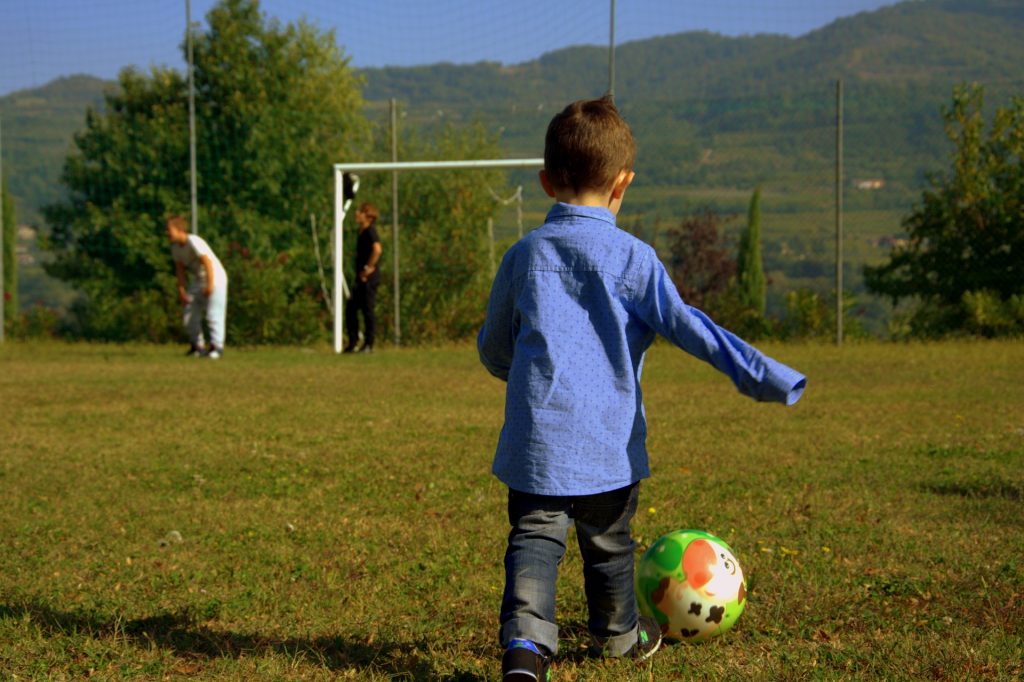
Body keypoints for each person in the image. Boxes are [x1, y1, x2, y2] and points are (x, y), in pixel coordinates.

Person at [477, 95, 806, 681]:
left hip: (537, 445)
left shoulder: (523, 255)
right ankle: (619, 639)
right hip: (608, 446)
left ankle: (525, 652)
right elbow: (691, 328)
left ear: (546, 181)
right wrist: (764, 375)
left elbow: (493, 347)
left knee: (533, 541)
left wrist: (522, 379)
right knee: (609, 545)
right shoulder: (636, 259)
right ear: (622, 183)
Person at [166, 215, 228, 359]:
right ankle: (197, 346)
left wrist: (210, 285)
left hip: (215, 278)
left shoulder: (193, 241)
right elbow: (180, 270)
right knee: (189, 311)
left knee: (213, 314)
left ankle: (216, 347)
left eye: (169, 230)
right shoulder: (176, 248)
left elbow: (207, 262)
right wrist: (181, 290)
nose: (167, 233)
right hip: (198, 280)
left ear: (179, 229)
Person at [344, 202, 383, 353]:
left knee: (368, 310)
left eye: (360, 212)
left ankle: (369, 344)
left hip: (368, 278)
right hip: (360, 277)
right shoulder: (360, 231)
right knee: (351, 308)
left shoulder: (370, 231)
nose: (356, 214)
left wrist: (368, 268)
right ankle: (353, 342)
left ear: (368, 217)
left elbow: (377, 249)